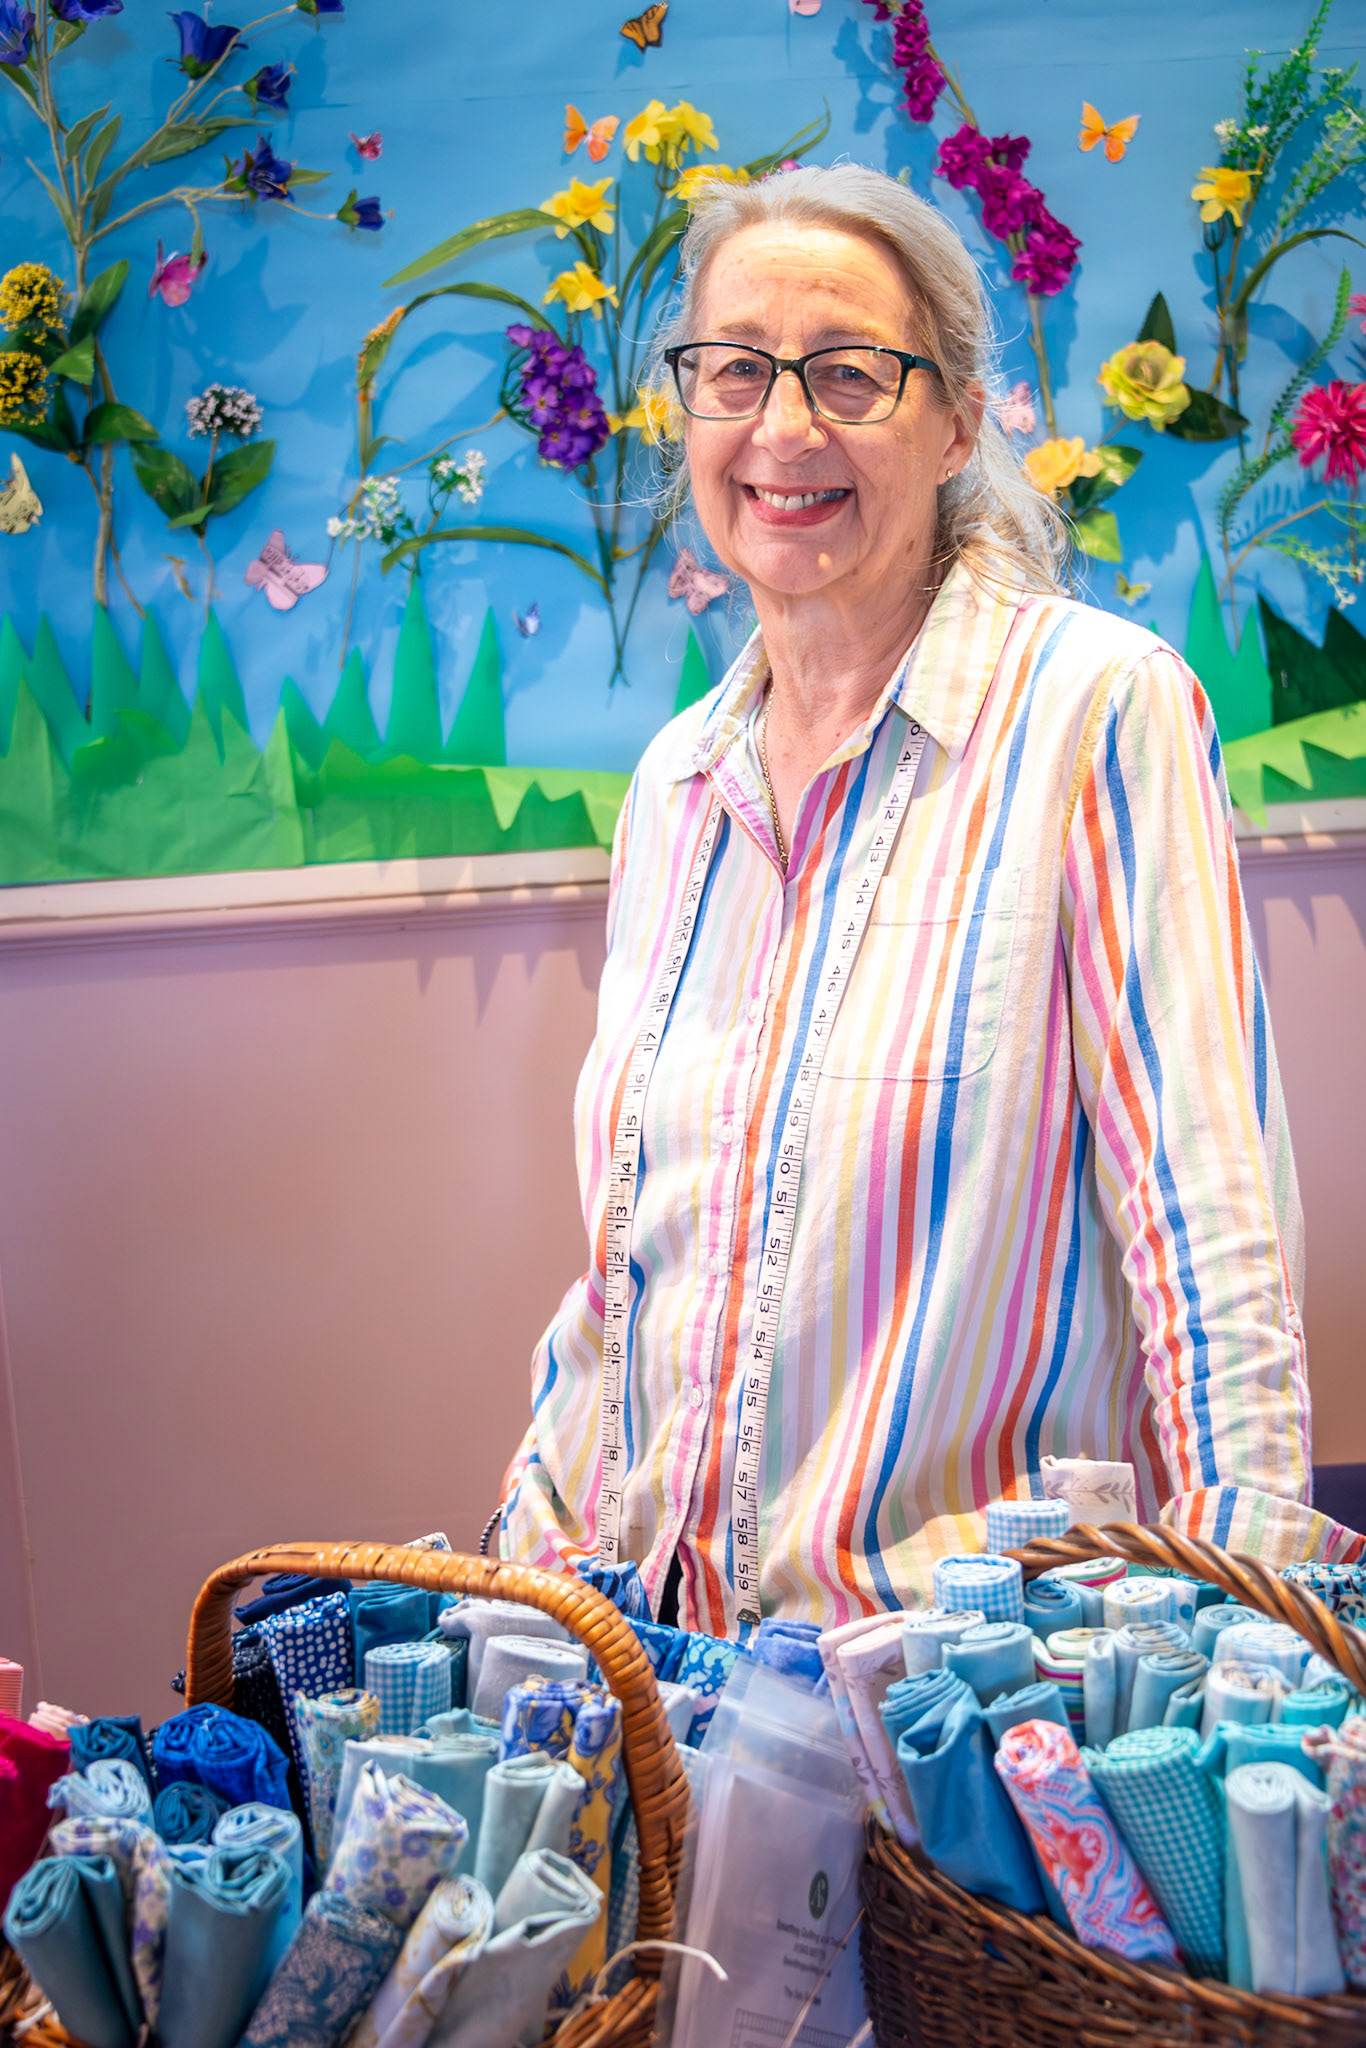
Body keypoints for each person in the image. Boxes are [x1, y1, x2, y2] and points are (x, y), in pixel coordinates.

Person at [500, 162, 1358, 1635]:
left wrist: (1253, 1631)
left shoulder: (1094, 709)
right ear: (685, 407)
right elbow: (625, 1276)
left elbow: (1205, 1228)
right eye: (734, 371)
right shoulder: (675, 786)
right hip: (672, 1670)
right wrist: (523, 1580)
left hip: (959, 1703)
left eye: (847, 375)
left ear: (957, 419)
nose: (781, 428)